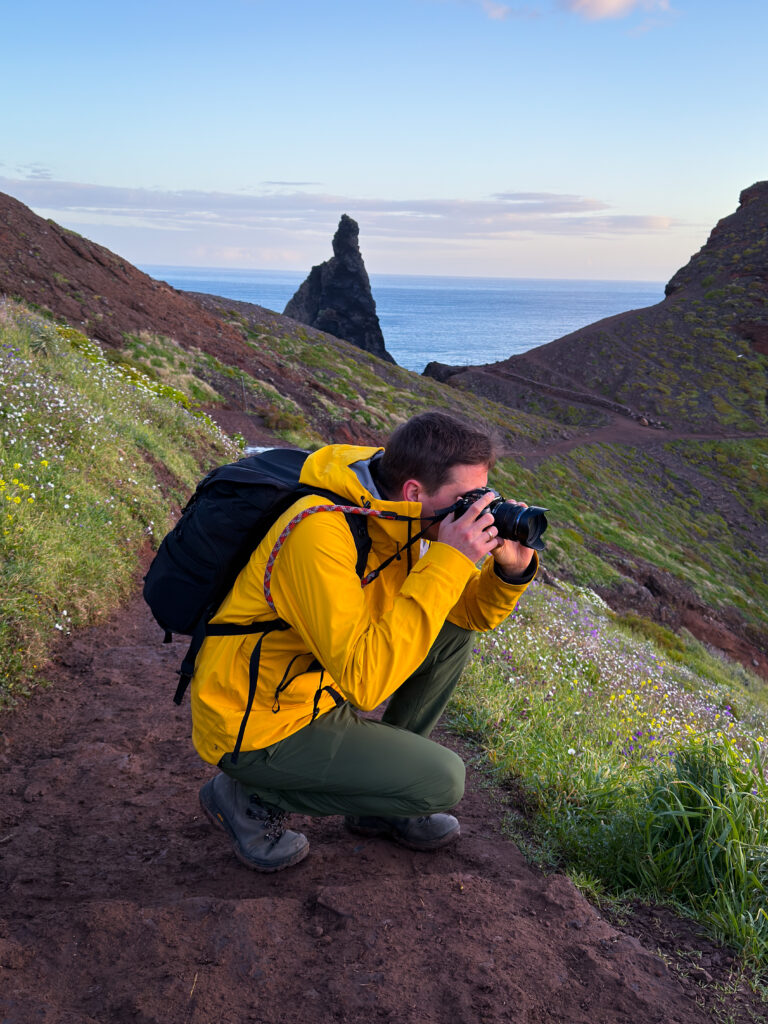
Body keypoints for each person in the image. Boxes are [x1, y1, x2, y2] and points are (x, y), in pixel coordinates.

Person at [193, 411, 538, 871]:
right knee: (443, 781)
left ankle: (381, 804)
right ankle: (247, 794)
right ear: (414, 492)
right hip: (258, 722)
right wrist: (451, 559)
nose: (477, 510)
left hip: (314, 688)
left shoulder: (403, 516)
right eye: (466, 499)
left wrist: (512, 571)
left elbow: (469, 615)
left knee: (452, 632)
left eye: (484, 496)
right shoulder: (318, 533)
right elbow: (366, 683)